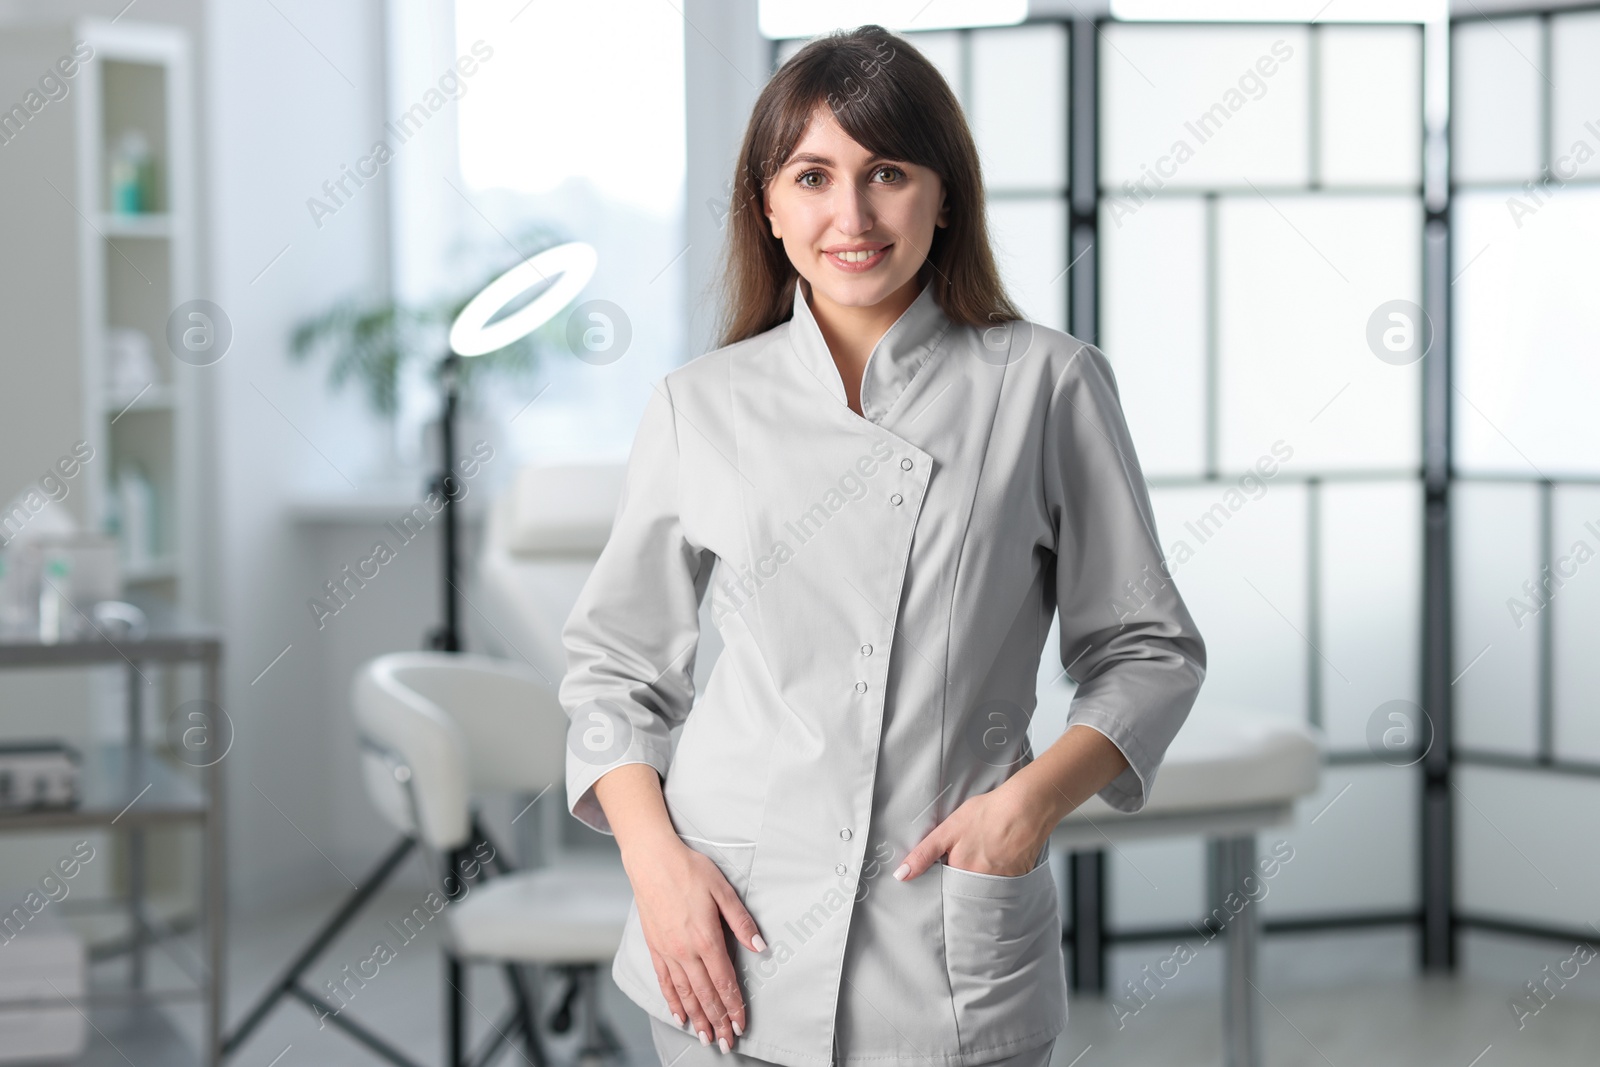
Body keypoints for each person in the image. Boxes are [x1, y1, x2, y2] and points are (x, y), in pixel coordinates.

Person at [559, 23, 1207, 1067]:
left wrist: (1025, 809)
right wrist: (656, 864)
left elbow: (1148, 646)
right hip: (725, 936)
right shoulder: (701, 405)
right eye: (812, 175)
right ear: (766, 206)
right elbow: (613, 668)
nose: (850, 215)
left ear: (943, 195)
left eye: (887, 172)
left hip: (947, 943)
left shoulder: (1046, 384)